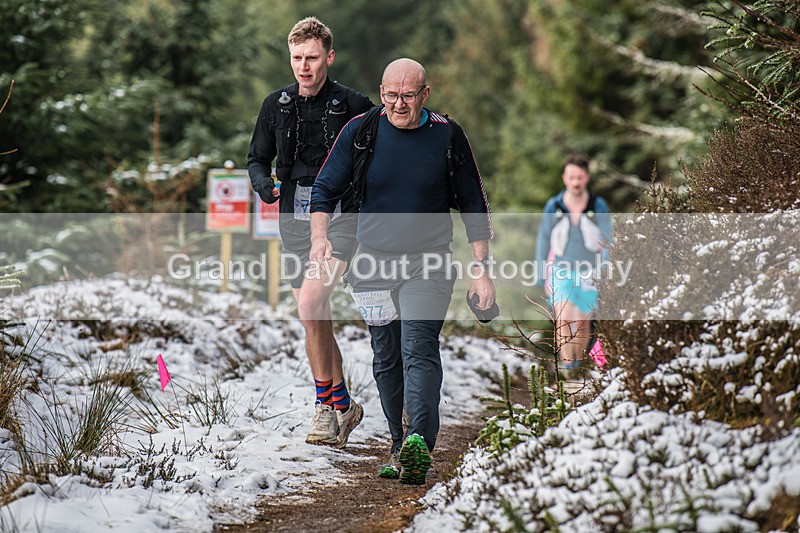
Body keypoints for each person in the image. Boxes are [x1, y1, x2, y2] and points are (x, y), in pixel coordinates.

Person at [309, 58, 495, 485]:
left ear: (425, 94)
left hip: (428, 262)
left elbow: (474, 204)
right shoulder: (362, 131)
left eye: (408, 96)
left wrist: (480, 270)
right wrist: (321, 238)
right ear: (381, 92)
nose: (397, 104)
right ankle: (397, 444)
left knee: (418, 348)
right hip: (371, 265)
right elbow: (324, 188)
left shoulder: (448, 135)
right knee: (387, 357)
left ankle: (418, 443)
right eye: (390, 95)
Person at [247, 17, 374, 448]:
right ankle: (343, 405)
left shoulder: (356, 105)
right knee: (314, 315)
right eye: (297, 58)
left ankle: (324, 408)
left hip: (340, 217)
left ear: (329, 57)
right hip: (293, 218)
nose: (304, 66)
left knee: (310, 301)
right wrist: (264, 185)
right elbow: (256, 160)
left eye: (312, 58)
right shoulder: (275, 104)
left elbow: (378, 157)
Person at [535, 154, 612, 372]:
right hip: (560, 269)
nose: (576, 182)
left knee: (581, 322)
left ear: (586, 177)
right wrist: (541, 272)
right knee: (563, 319)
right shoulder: (554, 205)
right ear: (564, 178)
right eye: (571, 177)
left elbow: (608, 239)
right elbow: (543, 238)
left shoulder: (598, 205)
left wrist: (605, 268)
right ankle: (567, 368)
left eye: (580, 177)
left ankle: (578, 365)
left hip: (589, 270)